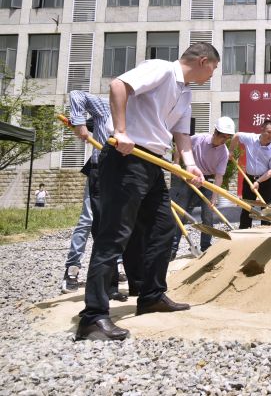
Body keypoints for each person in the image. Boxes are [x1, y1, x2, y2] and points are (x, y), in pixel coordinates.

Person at [76, 42, 219, 341]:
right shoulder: (162, 69)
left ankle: (151, 295)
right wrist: (121, 130)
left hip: (154, 162)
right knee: (115, 234)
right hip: (127, 157)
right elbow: (118, 86)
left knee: (163, 228)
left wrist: (191, 165)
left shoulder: (185, 92)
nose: (212, 75)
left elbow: (181, 133)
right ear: (203, 61)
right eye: (213, 68)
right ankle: (93, 317)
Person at [61, 90, 125, 302]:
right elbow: (77, 96)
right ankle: (72, 269)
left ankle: (113, 275)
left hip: (123, 175)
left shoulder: (140, 113)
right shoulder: (105, 106)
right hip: (99, 171)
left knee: (117, 223)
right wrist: (79, 124)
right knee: (88, 220)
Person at [170, 116, 235, 257]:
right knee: (181, 213)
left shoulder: (223, 153)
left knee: (208, 215)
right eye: (223, 136)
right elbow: (179, 145)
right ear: (215, 132)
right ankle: (172, 249)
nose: (224, 140)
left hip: (207, 182)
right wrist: (176, 162)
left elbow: (219, 176)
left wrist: (214, 197)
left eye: (227, 137)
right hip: (190, 178)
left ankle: (205, 248)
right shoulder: (198, 139)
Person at [230, 119, 271, 229]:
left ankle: (266, 232)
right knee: (247, 207)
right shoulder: (251, 138)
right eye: (269, 132)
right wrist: (231, 151)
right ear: (262, 129)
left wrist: (258, 181)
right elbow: (236, 136)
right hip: (249, 178)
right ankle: (244, 231)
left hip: (266, 181)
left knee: (266, 208)